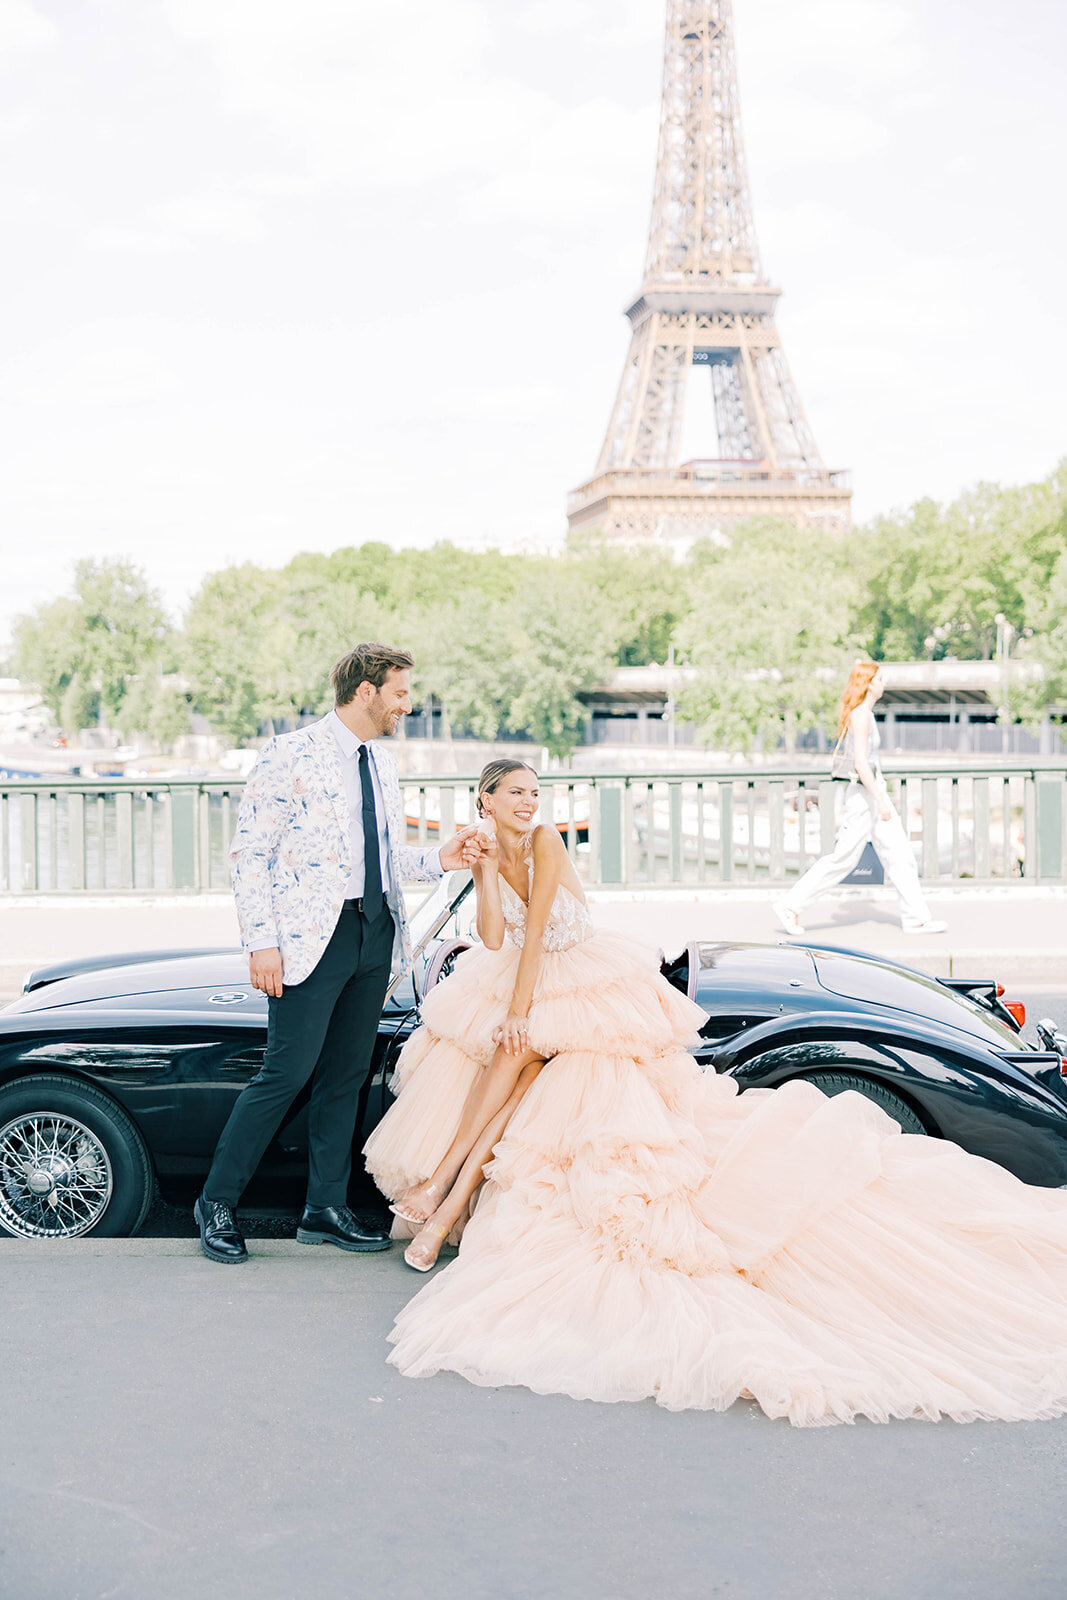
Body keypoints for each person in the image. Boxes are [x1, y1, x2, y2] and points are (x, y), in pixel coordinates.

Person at [366, 759, 1067, 1426]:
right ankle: (446, 1200)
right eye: (514, 793)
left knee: (517, 1048)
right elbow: (492, 935)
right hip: (526, 976)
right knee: (512, 1063)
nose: (528, 802)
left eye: (533, 791)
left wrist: (520, 1014)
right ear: (483, 801)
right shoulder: (490, 849)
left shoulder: (547, 841)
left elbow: (536, 939)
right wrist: (484, 868)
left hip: (583, 982)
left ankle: (444, 1198)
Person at [194, 642, 485, 1265]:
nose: (408, 706)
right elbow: (251, 854)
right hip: (307, 943)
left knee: (346, 1077)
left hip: (374, 931)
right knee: (285, 1074)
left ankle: (323, 1209)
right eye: (400, 694)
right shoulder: (288, 753)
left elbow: (381, 860)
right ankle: (216, 1201)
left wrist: (442, 857)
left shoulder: (380, 762)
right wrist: (261, 942)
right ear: (365, 692)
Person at [774, 661, 947, 938]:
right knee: (844, 859)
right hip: (865, 795)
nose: (884, 683)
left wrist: (879, 794)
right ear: (868, 683)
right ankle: (789, 905)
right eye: (880, 679)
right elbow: (861, 763)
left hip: (871, 791)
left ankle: (917, 919)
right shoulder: (861, 715)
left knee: (899, 855)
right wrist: (880, 799)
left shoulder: (865, 714)